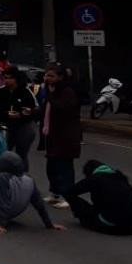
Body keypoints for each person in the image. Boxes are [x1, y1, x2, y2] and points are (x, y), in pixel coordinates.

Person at [0, 152, 65, 234]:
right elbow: (39, 203)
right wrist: (49, 224)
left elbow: (4, 201)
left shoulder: (3, 178)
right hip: (14, 213)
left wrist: (0, 224)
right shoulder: (29, 178)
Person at [63, 160, 132, 235]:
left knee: (70, 196)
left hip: (113, 226)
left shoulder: (95, 179)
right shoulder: (122, 178)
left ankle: (86, 220)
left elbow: (70, 192)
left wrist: (78, 209)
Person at [42, 64, 81, 209]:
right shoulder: (50, 90)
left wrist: (51, 96)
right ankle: (55, 192)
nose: (47, 78)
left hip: (65, 135)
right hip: (52, 133)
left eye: (51, 76)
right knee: (51, 165)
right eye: (46, 75)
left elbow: (63, 109)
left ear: (60, 77)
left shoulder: (66, 91)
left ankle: (68, 196)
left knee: (64, 166)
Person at [0, 66, 38, 171]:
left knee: (21, 154)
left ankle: (22, 176)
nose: (7, 80)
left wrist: (22, 114)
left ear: (16, 78)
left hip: (23, 126)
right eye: (5, 78)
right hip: (6, 127)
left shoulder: (25, 91)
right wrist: (6, 115)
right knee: (3, 153)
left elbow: (35, 108)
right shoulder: (0, 92)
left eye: (10, 78)